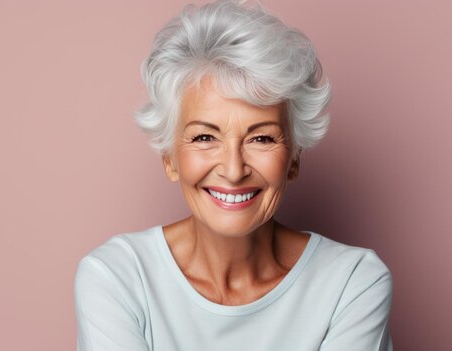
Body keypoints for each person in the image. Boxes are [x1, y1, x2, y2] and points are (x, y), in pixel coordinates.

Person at [73, 0, 393, 350]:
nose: (233, 169)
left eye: (262, 137)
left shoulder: (353, 283)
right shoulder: (117, 278)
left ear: (294, 158)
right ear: (170, 158)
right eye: (205, 137)